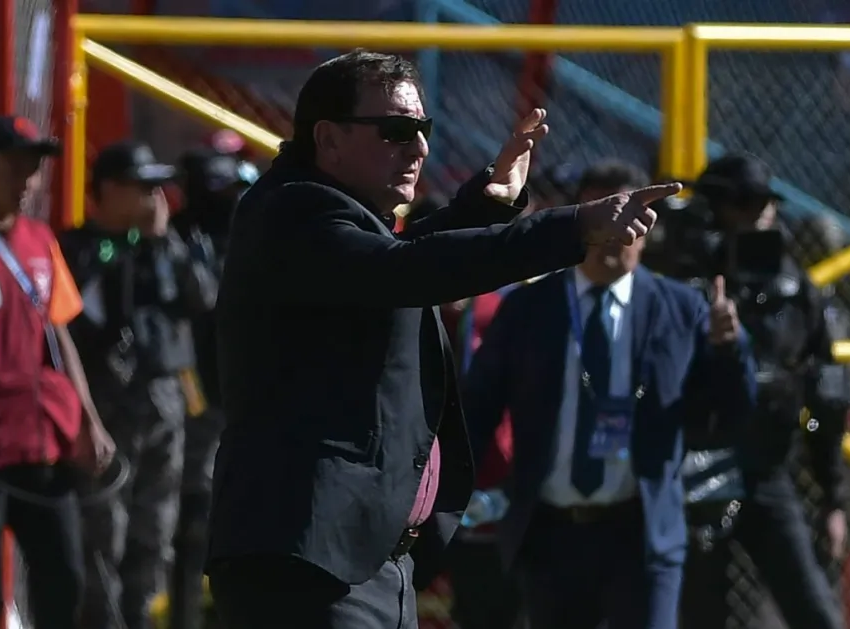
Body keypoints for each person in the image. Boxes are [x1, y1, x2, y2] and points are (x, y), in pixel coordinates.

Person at [206, 49, 678, 629]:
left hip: (356, 559)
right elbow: (402, 270)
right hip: (306, 561)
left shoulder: (333, 223)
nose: (420, 148)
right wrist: (572, 226)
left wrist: (487, 204)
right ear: (327, 139)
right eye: (397, 131)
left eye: (423, 130)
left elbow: (397, 262)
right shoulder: (293, 211)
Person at [461, 159, 757, 629]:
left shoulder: (681, 310)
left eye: (632, 220)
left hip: (639, 532)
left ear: (649, 227)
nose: (615, 235)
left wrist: (730, 348)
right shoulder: (529, 308)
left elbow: (732, 411)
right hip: (551, 532)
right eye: (603, 217)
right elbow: (476, 410)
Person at [0, 115, 114, 629]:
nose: (26, 180)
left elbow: (61, 337)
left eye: (32, 168)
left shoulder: (41, 241)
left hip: (42, 444)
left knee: (65, 578)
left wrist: (87, 420)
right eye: (14, 166)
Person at [676, 153, 850, 629]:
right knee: (700, 613)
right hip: (696, 466)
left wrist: (833, 496)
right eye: (742, 204)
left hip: (769, 469)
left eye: (764, 204)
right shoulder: (678, 284)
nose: (757, 215)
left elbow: (826, 396)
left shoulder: (794, 290)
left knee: (815, 610)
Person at [58, 141, 219, 629]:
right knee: (103, 529)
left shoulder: (168, 245)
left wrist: (162, 241)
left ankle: (141, 615)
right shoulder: (78, 248)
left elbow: (202, 298)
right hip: (105, 407)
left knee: (157, 528)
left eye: (157, 187)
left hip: (165, 402)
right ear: (107, 191)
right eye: (141, 187)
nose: (154, 197)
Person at [168, 146, 257, 629]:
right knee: (193, 521)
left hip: (251, 397)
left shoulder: (251, 236)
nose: (231, 201)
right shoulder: (179, 236)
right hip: (196, 399)